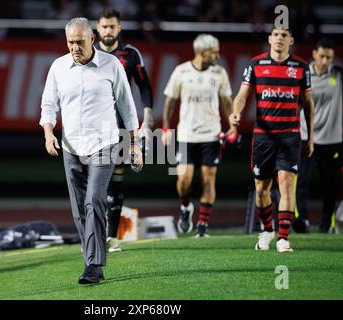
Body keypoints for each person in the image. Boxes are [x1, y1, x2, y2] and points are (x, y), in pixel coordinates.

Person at [39, 17, 143, 284]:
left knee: (94, 200)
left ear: (92, 39)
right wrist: (49, 133)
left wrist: (135, 144)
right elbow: (49, 104)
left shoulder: (111, 65)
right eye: (70, 42)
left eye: (79, 42)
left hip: (104, 144)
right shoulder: (59, 67)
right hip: (71, 146)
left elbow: (127, 106)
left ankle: (94, 265)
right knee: (79, 210)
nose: (74, 47)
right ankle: (91, 259)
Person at [230, 27, 315, 253]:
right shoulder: (255, 64)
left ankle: (284, 238)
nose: (279, 38)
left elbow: (308, 105)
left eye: (284, 35)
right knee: (261, 190)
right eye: (276, 34)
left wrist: (311, 137)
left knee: (287, 186)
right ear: (270, 39)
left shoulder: (300, 68)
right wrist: (236, 112)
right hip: (263, 139)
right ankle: (268, 230)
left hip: (290, 137)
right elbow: (241, 95)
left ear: (291, 40)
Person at [161, 34, 236, 237]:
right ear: (202, 52)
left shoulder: (219, 73)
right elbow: (169, 102)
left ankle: (203, 225)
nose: (218, 55)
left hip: (211, 134)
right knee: (184, 179)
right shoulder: (181, 71)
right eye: (214, 51)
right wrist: (167, 129)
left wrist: (232, 125)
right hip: (186, 134)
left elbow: (227, 102)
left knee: (208, 179)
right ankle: (186, 208)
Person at [96, 8, 154, 252]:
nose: (108, 31)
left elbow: (144, 86)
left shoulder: (130, 54)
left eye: (112, 26)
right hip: (94, 128)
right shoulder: (89, 53)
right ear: (97, 28)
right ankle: (93, 235)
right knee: (94, 185)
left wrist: (147, 120)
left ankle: (111, 238)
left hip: (119, 128)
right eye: (104, 26)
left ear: (119, 28)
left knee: (115, 183)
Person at [295, 38, 343, 233]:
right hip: (306, 137)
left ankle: (327, 224)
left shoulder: (339, 76)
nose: (325, 61)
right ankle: (301, 220)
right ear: (314, 54)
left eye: (329, 58)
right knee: (301, 180)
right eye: (322, 56)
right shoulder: (303, 76)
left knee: (330, 184)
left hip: (332, 140)